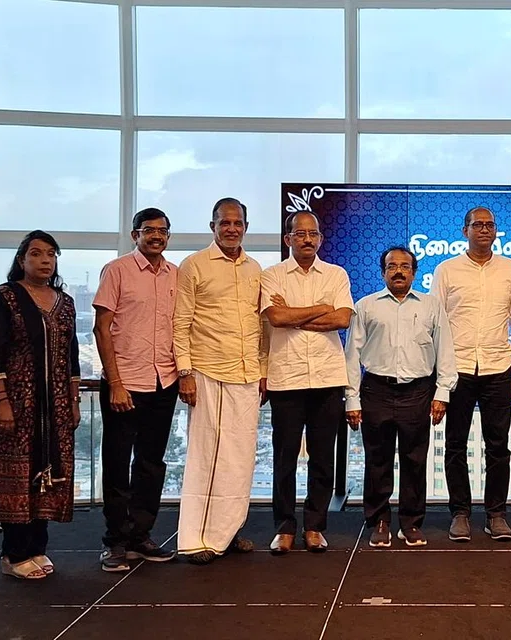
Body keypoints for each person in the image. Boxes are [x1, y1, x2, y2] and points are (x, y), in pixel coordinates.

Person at [0, 230, 80, 579]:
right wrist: (2, 401)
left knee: (47, 473)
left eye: (51, 254)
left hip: (55, 407)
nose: (44, 260)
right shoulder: (5, 297)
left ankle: (37, 547)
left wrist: (73, 400)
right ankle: (13, 555)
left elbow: (72, 356)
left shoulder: (65, 302)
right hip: (17, 403)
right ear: (21, 260)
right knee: (18, 476)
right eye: (36, 253)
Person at [173, 197, 268, 565]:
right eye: (224, 223)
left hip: (246, 374)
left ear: (246, 227)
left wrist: (262, 370)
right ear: (212, 226)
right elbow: (181, 321)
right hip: (207, 371)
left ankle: (226, 531)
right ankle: (195, 538)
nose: (231, 228)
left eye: (237, 223)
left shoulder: (255, 268)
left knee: (240, 458)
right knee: (205, 456)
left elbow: (260, 325)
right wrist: (185, 373)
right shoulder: (194, 265)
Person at [345, 247, 458, 548]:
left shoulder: (432, 306)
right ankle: (379, 520)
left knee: (415, 460)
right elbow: (352, 355)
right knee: (377, 459)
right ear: (383, 272)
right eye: (392, 266)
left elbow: (445, 350)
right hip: (376, 390)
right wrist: (352, 399)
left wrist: (442, 393)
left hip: (418, 391)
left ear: (414, 272)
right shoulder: (366, 306)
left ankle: (411, 522)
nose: (398, 271)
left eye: (405, 266)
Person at [93, 208, 179, 572]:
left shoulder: (175, 274)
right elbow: (101, 328)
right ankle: (115, 541)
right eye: (149, 230)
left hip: (164, 381)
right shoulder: (117, 270)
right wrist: (115, 383)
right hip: (124, 383)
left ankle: (140, 536)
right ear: (135, 235)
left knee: (151, 464)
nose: (156, 236)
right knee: (117, 464)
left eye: (162, 231)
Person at [431, 206, 511, 543]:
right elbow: (436, 323)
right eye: (477, 225)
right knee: (455, 444)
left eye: (489, 225)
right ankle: (460, 513)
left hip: (498, 367)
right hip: (457, 369)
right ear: (464, 230)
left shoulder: (510, 268)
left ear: (495, 231)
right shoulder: (447, 269)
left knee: (498, 445)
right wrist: (438, 376)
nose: (484, 229)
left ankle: (496, 514)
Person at [264, 211, 354, 555]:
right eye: (300, 234)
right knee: (284, 458)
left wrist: (296, 315)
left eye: (313, 234)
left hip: (327, 378)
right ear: (288, 239)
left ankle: (315, 526)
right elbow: (276, 317)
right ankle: (284, 528)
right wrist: (320, 308)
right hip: (286, 378)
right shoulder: (272, 275)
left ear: (320, 239)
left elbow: (342, 319)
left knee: (322, 458)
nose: (307, 239)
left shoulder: (336, 273)